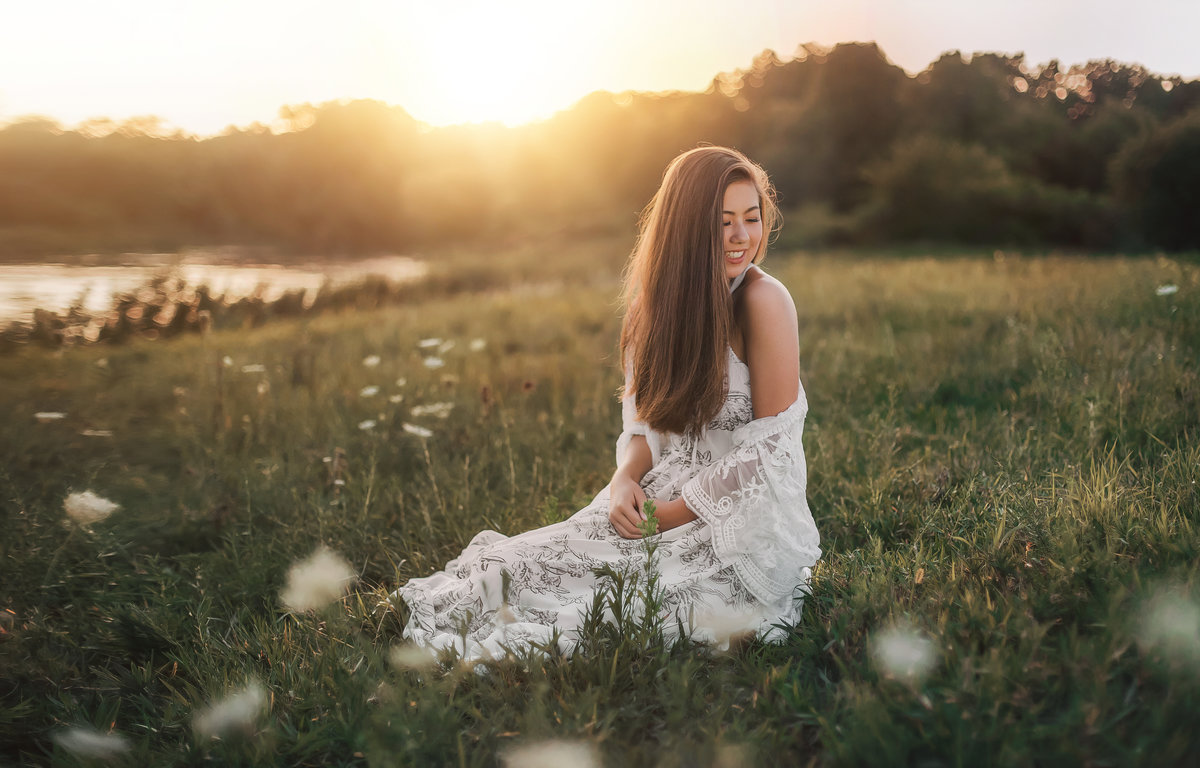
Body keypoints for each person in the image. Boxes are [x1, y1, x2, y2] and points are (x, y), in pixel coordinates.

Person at [391, 146, 821, 659]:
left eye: (751, 219)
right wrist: (623, 483)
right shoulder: (651, 309)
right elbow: (644, 429)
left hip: (741, 521)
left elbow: (770, 451)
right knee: (516, 569)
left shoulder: (764, 301)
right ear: (686, 226)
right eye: (722, 221)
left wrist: (675, 513)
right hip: (662, 496)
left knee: (612, 611)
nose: (741, 237)